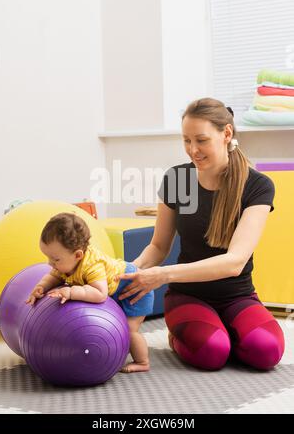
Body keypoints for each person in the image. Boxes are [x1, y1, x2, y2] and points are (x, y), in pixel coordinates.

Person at [116, 97, 285, 371]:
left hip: (238, 296)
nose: (193, 150)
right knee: (212, 353)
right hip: (188, 296)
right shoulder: (176, 179)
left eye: (201, 140)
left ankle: (225, 331)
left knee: (266, 351)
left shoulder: (257, 186)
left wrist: (164, 274)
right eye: (186, 140)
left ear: (226, 134)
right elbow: (158, 246)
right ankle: (185, 335)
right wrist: (128, 271)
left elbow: (235, 262)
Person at [26, 213, 154, 373]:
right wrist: (41, 287)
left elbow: (100, 293)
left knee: (129, 330)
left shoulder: (92, 265)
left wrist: (72, 292)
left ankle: (143, 362)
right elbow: (52, 276)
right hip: (115, 290)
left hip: (133, 290)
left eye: (55, 259)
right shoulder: (66, 262)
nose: (50, 263)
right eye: (48, 258)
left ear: (78, 255)